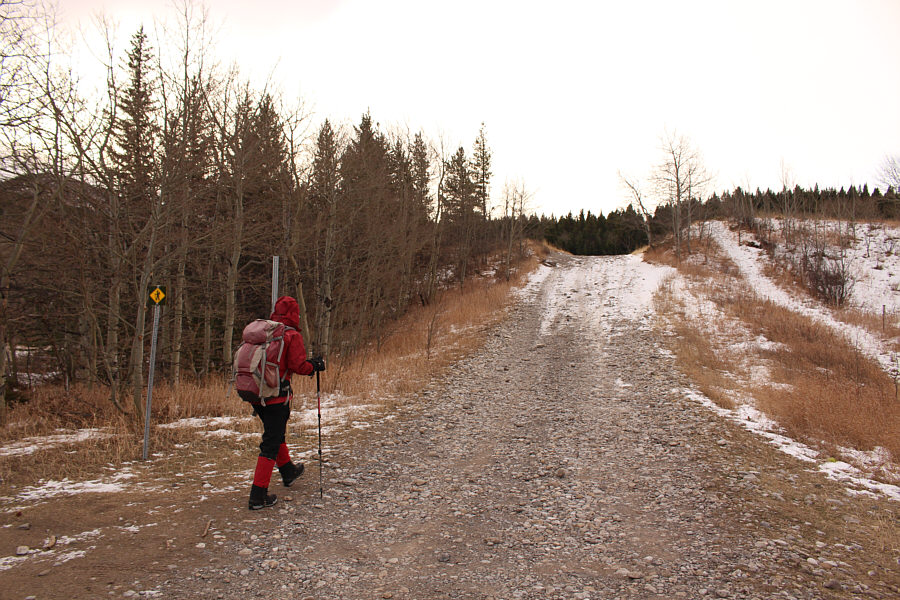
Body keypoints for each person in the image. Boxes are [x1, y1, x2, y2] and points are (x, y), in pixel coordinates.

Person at [248, 295, 325, 510]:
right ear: (295, 313)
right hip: (276, 395)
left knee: (275, 432)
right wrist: (314, 366)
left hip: (256, 393)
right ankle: (258, 495)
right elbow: (298, 365)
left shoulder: (267, 331)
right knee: (271, 441)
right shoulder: (290, 335)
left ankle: (288, 471)